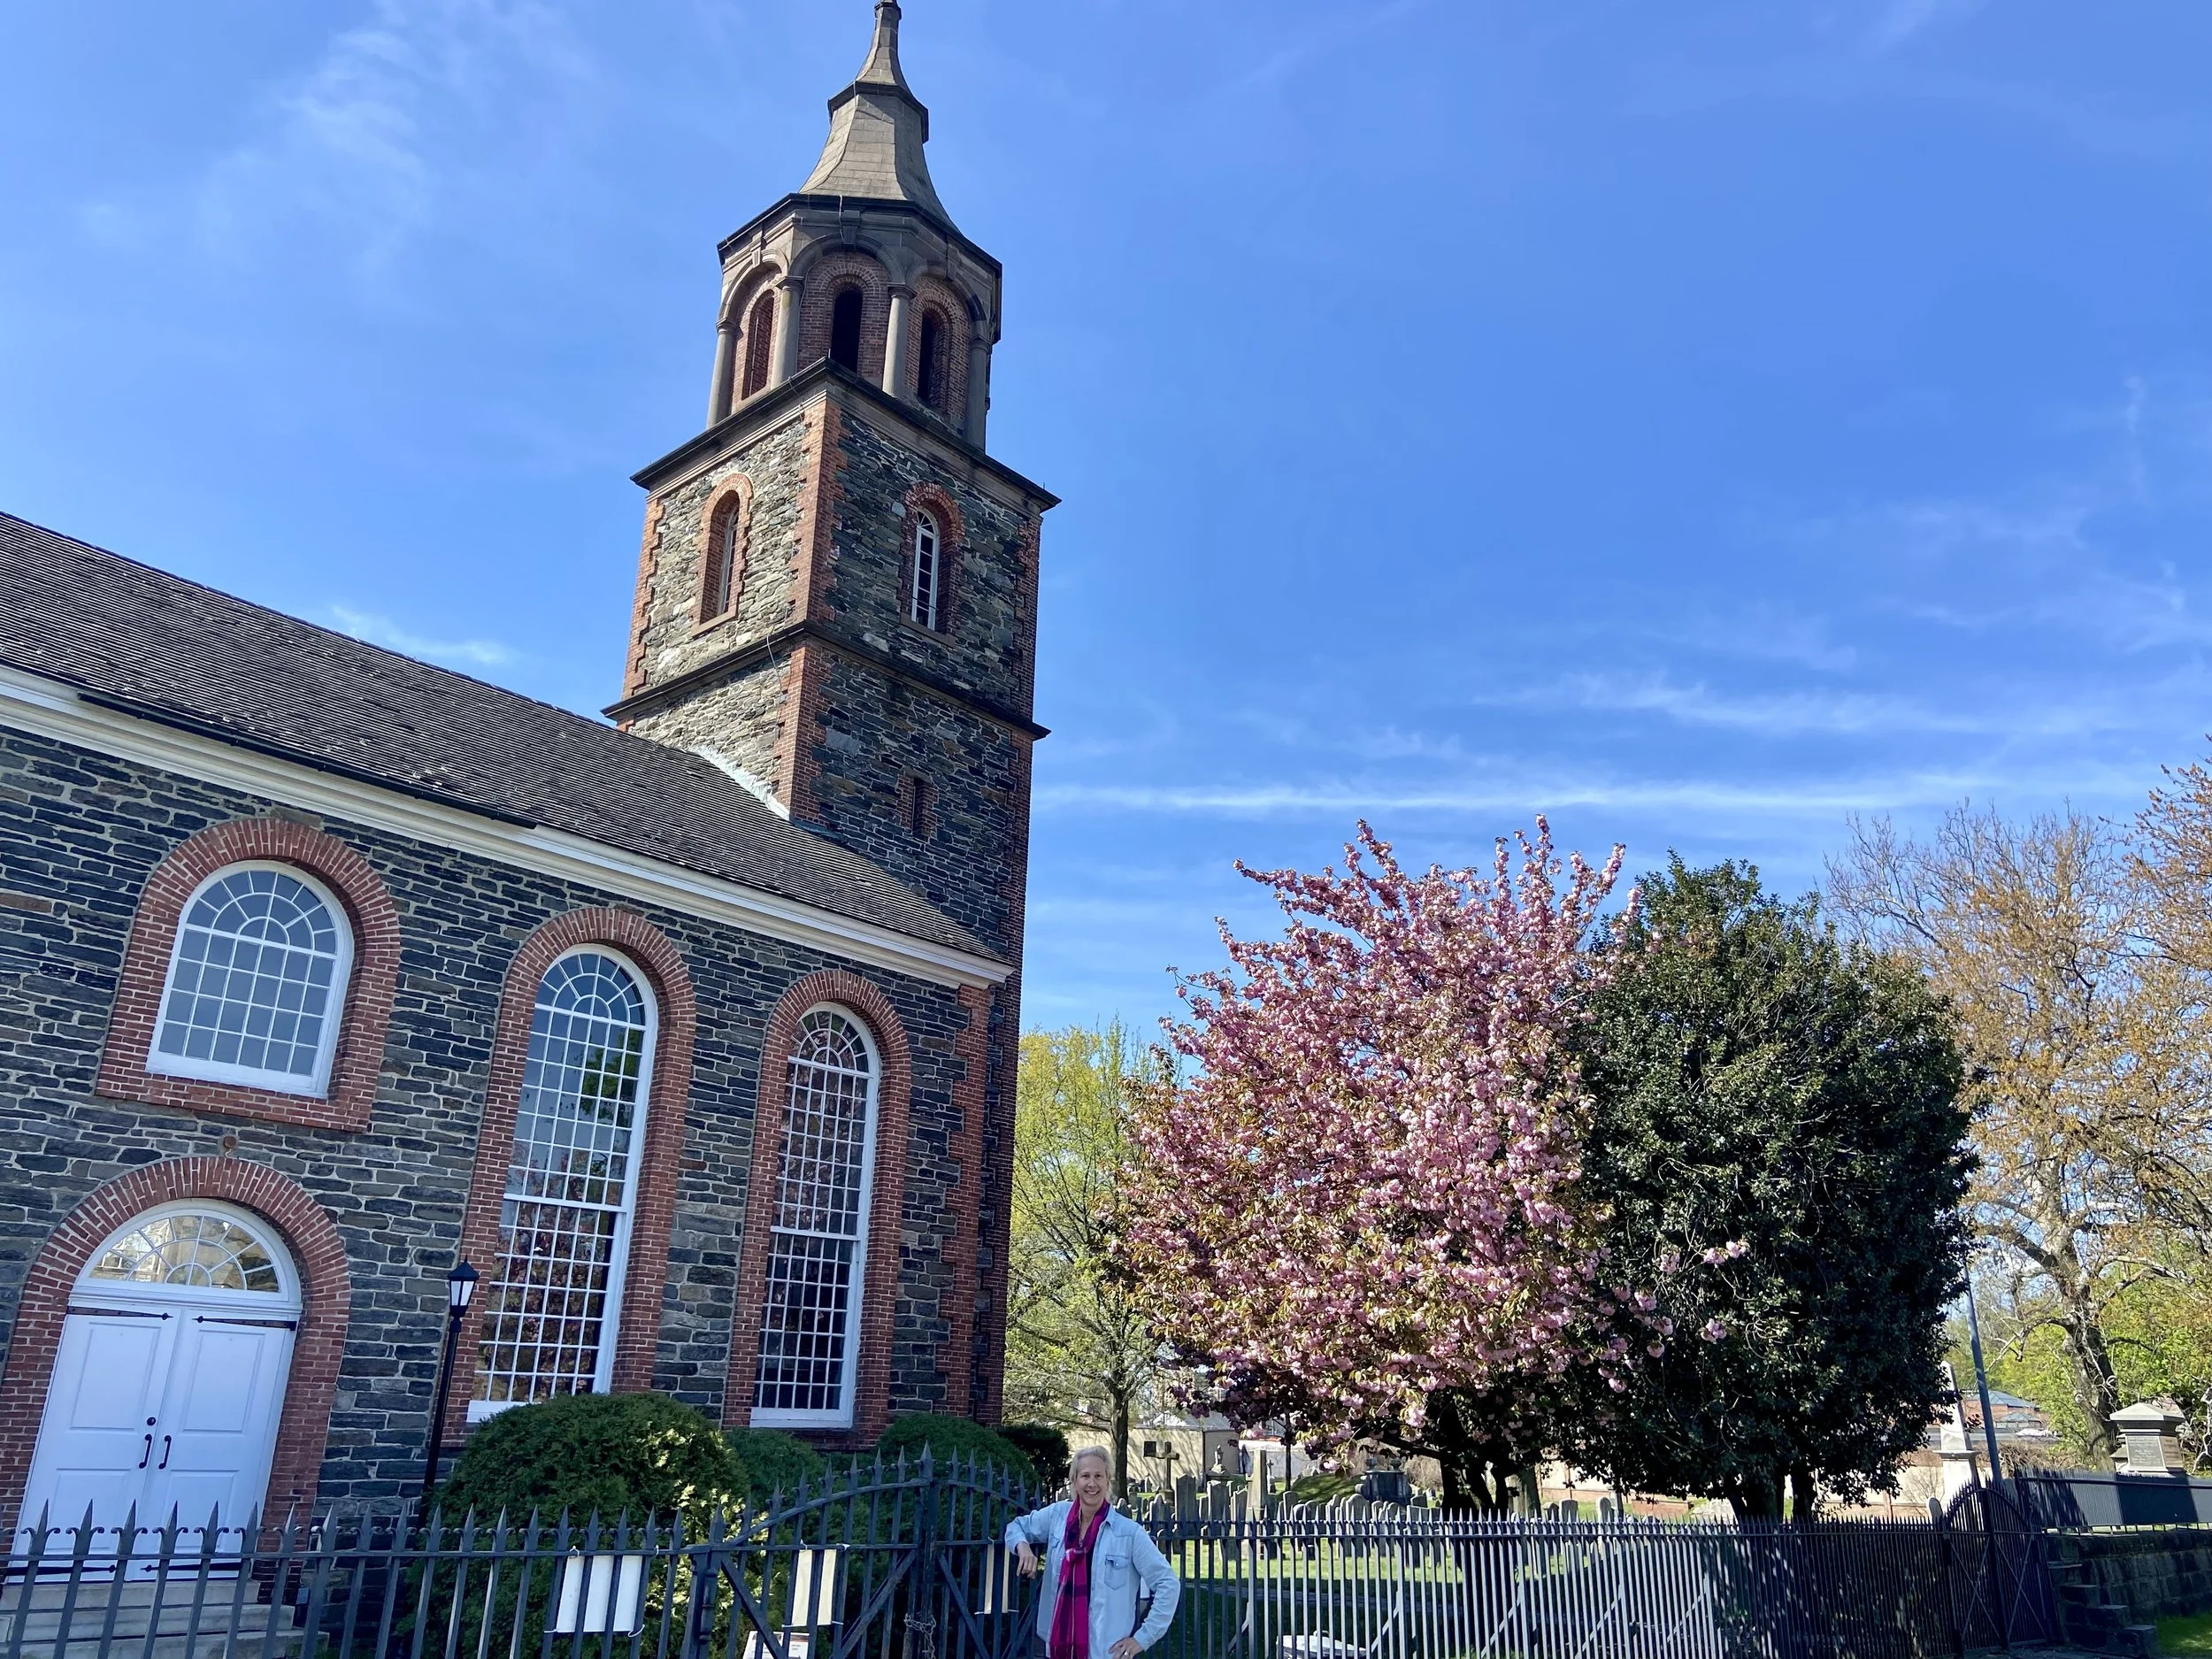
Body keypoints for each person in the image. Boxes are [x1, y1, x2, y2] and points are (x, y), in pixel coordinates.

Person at [1004, 1448, 1179, 1659]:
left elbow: (1168, 1583)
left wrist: (1143, 1638)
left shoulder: (1128, 1533)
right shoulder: (1057, 1516)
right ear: (1075, 1481)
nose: (1092, 1484)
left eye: (1099, 1476)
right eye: (1085, 1476)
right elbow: (1016, 1527)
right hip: (1057, 1646)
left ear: (1107, 1481)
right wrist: (1023, 1547)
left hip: (1105, 1652)